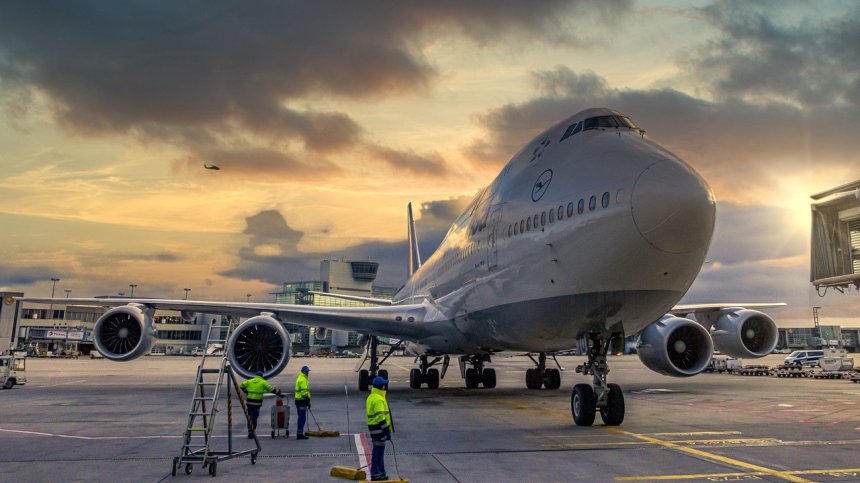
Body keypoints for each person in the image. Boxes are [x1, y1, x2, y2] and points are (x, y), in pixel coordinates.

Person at [366, 376, 393, 481]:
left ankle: (381, 473)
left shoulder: (371, 397)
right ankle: (376, 474)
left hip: (374, 429)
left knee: (379, 452)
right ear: (381, 386)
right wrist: (387, 430)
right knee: (378, 453)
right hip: (379, 430)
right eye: (384, 385)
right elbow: (381, 417)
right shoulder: (378, 399)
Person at [241, 370, 281, 439]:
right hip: (257, 403)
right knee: (255, 417)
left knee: (250, 417)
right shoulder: (263, 382)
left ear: (256, 375)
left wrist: (246, 391)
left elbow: (241, 385)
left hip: (249, 402)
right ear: (261, 376)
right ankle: (253, 431)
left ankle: (250, 431)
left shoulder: (250, 381)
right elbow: (271, 389)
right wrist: (278, 392)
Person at [294, 365, 311, 440]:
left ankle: (299, 433)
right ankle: (299, 434)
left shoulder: (301, 378)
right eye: (307, 371)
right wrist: (308, 401)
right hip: (302, 401)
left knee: (301, 417)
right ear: (304, 372)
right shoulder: (303, 379)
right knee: (302, 418)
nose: (308, 373)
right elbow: (304, 392)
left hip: (299, 400)